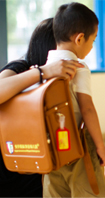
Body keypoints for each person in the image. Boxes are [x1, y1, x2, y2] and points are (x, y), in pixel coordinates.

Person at [0, 18, 83, 197]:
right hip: (10, 167)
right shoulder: (21, 67)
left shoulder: (64, 80)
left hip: (38, 167)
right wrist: (42, 72)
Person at [42, 3, 105, 197]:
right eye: (93, 40)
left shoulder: (44, 68)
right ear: (80, 38)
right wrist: (100, 147)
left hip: (51, 146)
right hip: (78, 146)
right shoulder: (78, 67)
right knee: (92, 191)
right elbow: (87, 109)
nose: (91, 46)